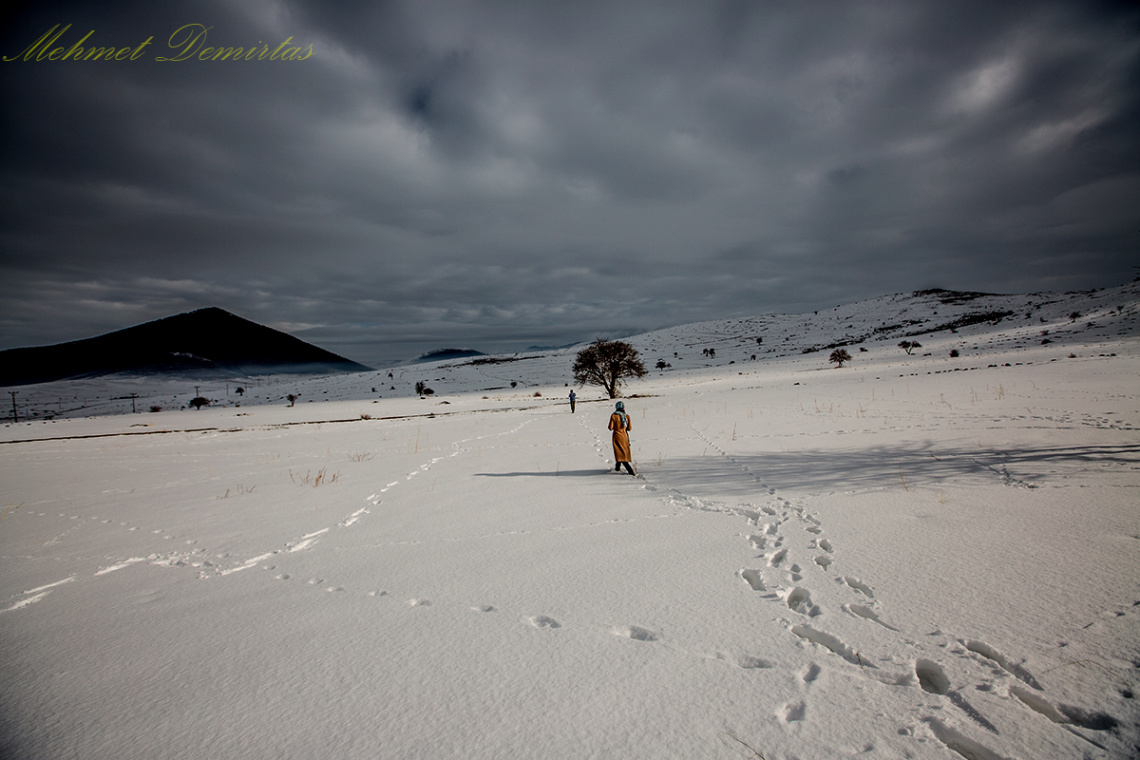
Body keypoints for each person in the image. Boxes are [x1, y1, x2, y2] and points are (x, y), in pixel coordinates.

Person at [608, 401, 635, 475]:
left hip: (617, 436)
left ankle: (630, 471)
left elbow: (610, 427)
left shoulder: (614, 415)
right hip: (625, 437)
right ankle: (617, 468)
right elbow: (629, 428)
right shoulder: (626, 416)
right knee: (623, 452)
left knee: (619, 453)